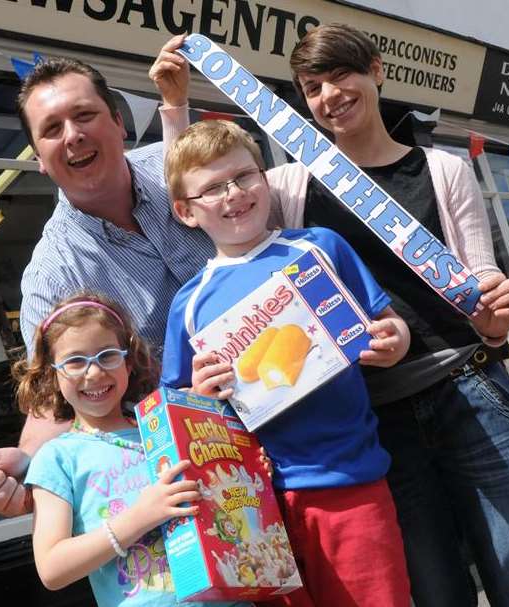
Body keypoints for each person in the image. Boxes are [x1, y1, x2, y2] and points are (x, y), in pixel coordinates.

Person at [160, 24, 509, 607]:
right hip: (375, 419)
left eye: (341, 74)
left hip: (467, 388)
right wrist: (175, 106)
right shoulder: (285, 186)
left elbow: (479, 285)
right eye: (312, 86)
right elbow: (201, 183)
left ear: (376, 70)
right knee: (433, 589)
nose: (329, 95)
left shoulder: (443, 169)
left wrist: (495, 317)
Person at [0, 41, 216, 515]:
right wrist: (30, 465)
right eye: (52, 129)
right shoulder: (52, 278)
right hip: (201, 471)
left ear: (118, 121)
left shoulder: (180, 166)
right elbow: (53, 400)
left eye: (85, 115)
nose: (72, 135)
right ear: (37, 156)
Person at [161, 118, 411, 606]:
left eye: (243, 176)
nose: (233, 193)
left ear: (265, 178)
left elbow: (389, 324)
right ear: (186, 212)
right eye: (212, 188)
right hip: (251, 506)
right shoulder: (188, 305)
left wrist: (393, 342)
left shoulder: (317, 247)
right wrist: (199, 394)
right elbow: (182, 415)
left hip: (349, 484)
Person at [18, 291, 248, 607]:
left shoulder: (165, 423)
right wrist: (140, 517)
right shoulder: (56, 458)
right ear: (51, 375)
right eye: (74, 361)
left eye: (108, 355)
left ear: (128, 362)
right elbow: (52, 568)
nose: (95, 372)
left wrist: (248, 470)